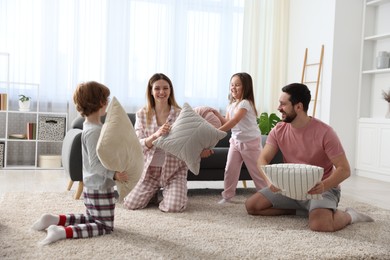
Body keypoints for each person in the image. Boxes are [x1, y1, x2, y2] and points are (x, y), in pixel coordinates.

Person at [245, 83, 374, 232]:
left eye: (283, 104)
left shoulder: (325, 132)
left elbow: (344, 170)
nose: (279, 108)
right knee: (252, 206)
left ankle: (351, 215)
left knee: (321, 225)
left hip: (321, 189)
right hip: (288, 187)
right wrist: (269, 181)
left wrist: (324, 186)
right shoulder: (278, 130)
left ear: (298, 107)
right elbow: (262, 159)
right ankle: (300, 211)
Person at [32, 81, 128, 244]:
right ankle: (62, 231)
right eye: (107, 98)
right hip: (100, 185)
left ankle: (54, 219)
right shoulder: (94, 131)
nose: (108, 102)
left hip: (93, 184)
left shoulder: (92, 125)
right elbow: (96, 163)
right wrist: (114, 175)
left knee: (91, 217)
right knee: (104, 226)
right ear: (101, 102)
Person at [123, 73, 212, 212]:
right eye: (157, 88)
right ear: (151, 91)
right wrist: (156, 135)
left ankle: (170, 194)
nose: (161, 92)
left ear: (170, 90)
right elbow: (138, 145)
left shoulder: (181, 114)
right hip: (150, 172)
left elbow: (189, 142)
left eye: (165, 88)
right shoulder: (141, 114)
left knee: (173, 207)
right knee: (130, 204)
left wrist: (200, 152)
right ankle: (153, 192)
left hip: (174, 171)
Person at [213, 72, 267, 204]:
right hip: (235, 142)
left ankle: (267, 195)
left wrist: (217, 132)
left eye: (237, 85)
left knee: (257, 172)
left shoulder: (245, 104)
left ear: (245, 87)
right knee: (230, 169)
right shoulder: (231, 105)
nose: (233, 88)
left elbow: (235, 121)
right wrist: (216, 114)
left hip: (250, 143)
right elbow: (227, 121)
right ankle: (227, 195)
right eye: (232, 85)